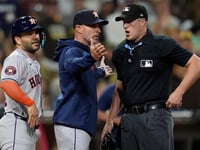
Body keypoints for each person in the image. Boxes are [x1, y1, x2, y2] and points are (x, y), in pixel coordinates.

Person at [101, 3, 200, 150]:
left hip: (155, 117)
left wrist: (179, 92)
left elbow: (196, 63)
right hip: (128, 119)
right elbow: (120, 88)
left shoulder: (161, 44)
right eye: (123, 22)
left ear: (142, 22)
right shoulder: (120, 51)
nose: (125, 26)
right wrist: (109, 121)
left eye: (129, 22)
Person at [52, 9, 113, 150]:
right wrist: (91, 58)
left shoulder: (82, 51)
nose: (98, 30)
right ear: (78, 29)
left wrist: (100, 72)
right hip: (73, 120)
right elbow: (72, 65)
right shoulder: (72, 50)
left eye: (98, 26)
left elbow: (82, 73)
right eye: (92, 26)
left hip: (77, 121)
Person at [0, 15, 45, 150]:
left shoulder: (33, 62)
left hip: (27, 126)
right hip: (16, 124)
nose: (35, 36)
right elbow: (7, 84)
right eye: (29, 34)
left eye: (36, 32)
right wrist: (30, 104)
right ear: (17, 39)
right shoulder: (16, 58)